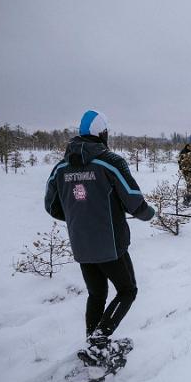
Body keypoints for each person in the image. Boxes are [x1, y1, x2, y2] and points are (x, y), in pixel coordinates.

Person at [44, 110, 155, 365]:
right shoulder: (110, 162)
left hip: (82, 244)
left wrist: (79, 217)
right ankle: (98, 341)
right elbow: (133, 200)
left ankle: (93, 345)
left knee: (97, 294)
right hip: (110, 244)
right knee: (128, 290)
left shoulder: (61, 167)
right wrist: (148, 214)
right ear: (102, 133)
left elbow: (51, 206)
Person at [178, 137, 191, 205]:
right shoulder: (185, 151)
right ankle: (186, 200)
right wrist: (184, 169)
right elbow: (180, 161)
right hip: (187, 171)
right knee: (189, 184)